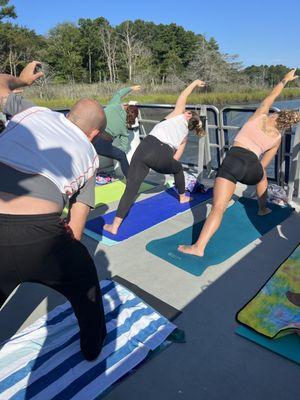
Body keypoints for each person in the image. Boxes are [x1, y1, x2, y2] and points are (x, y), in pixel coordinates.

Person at [0, 61, 108, 361]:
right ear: (94, 133)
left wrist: (21, 81)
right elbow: (76, 227)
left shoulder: (32, 112)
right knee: (85, 280)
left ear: (68, 114)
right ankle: (92, 345)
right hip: (39, 234)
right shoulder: (89, 155)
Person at [178, 69, 300, 257]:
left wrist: (285, 79)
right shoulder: (276, 138)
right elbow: (262, 166)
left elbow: (273, 95)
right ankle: (263, 208)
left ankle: (198, 247)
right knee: (262, 178)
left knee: (218, 208)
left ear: (275, 115)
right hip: (252, 167)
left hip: (233, 161)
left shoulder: (260, 115)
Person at [104, 79, 206, 235]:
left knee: (131, 188)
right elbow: (177, 155)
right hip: (163, 155)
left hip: (145, 148)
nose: (186, 111)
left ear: (188, 116)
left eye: (188, 112)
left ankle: (115, 226)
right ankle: (182, 197)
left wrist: (194, 83)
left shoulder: (178, 115)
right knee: (178, 169)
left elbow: (184, 94)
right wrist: (169, 164)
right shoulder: (184, 134)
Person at [93, 86, 140, 178]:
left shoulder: (114, 104)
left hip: (90, 136)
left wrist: (131, 88)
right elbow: (124, 148)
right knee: (122, 156)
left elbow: (119, 94)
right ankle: (131, 180)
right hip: (101, 145)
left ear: (126, 106)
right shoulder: (124, 129)